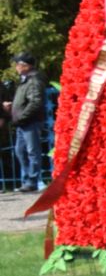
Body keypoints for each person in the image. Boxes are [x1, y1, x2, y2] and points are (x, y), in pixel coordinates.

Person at [6, 52, 46, 190]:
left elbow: (35, 102)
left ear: (25, 66)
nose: (16, 67)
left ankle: (32, 181)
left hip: (30, 122)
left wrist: (22, 116)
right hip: (22, 123)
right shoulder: (25, 80)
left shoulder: (33, 80)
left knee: (32, 151)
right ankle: (27, 179)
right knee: (20, 151)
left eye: (18, 64)